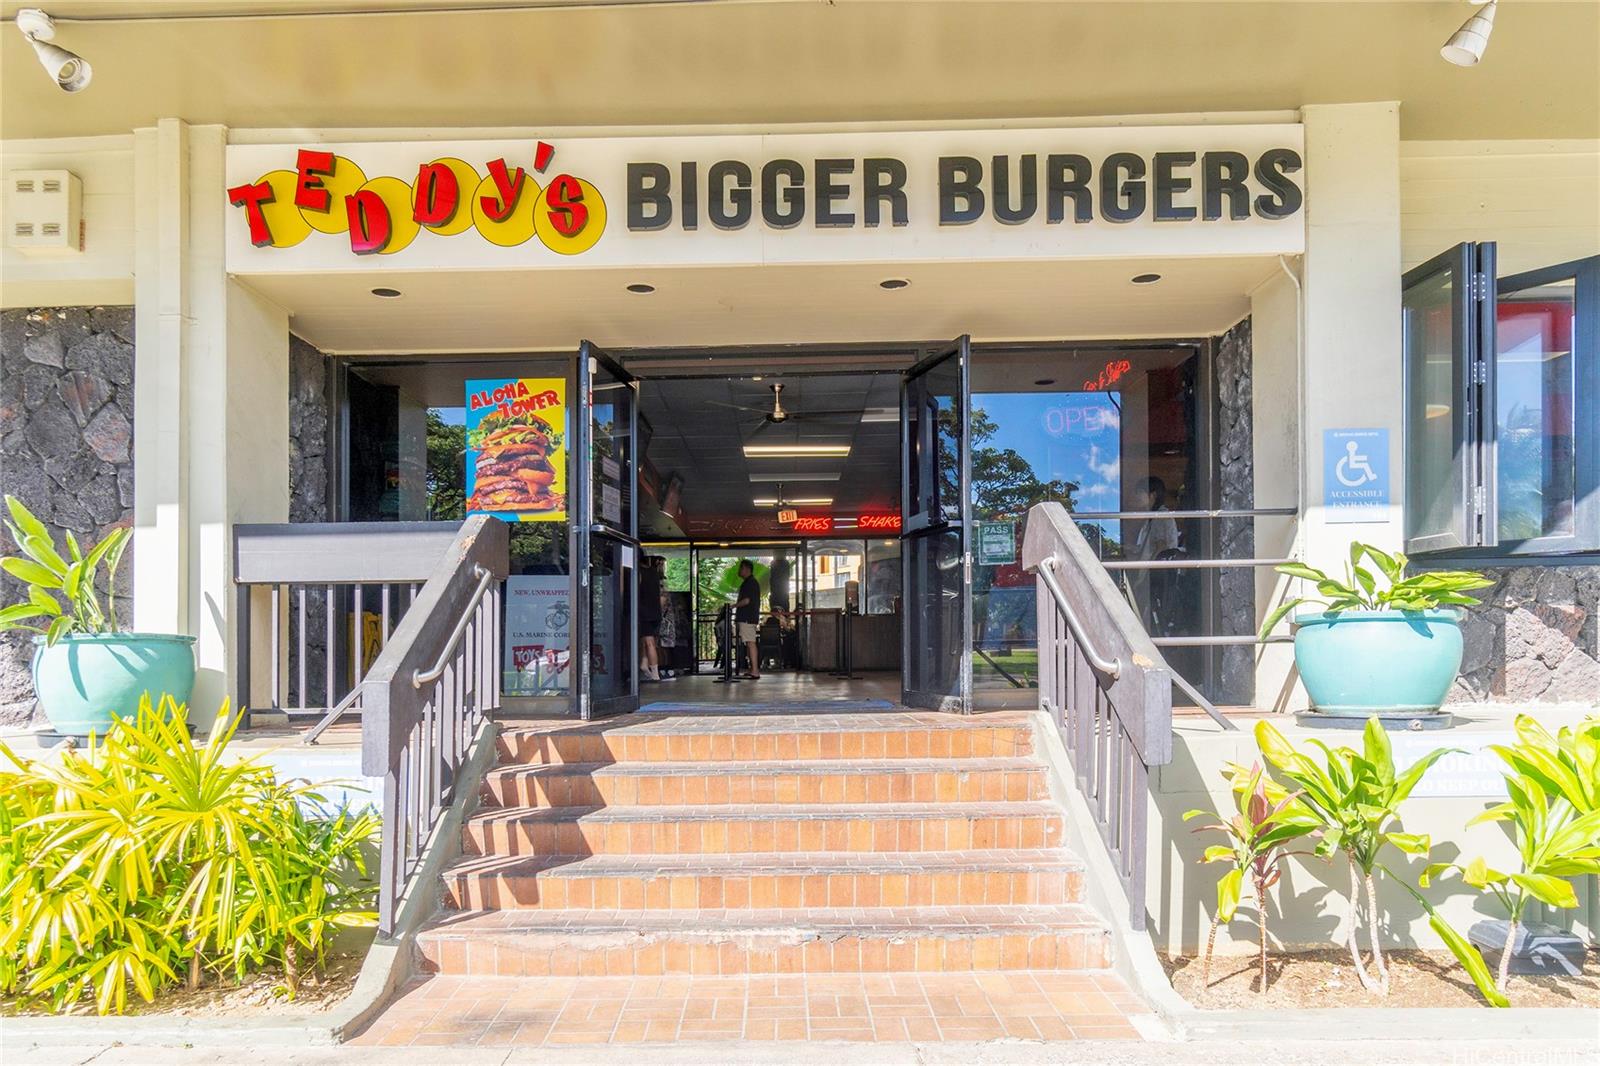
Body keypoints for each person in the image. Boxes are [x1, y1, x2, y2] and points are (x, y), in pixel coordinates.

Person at [734, 559, 762, 680]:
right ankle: (753, 669)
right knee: (749, 642)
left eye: (741, 568)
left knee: (751, 642)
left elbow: (747, 600)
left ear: (746, 569)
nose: (740, 571)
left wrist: (733, 606)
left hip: (747, 617)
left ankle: (755, 670)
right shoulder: (750, 582)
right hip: (748, 617)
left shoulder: (750, 583)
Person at [638, 555, 662, 682]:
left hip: (644, 612)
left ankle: (655, 672)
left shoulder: (639, 573)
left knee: (649, 642)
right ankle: (644, 663)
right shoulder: (654, 573)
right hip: (655, 612)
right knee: (646, 641)